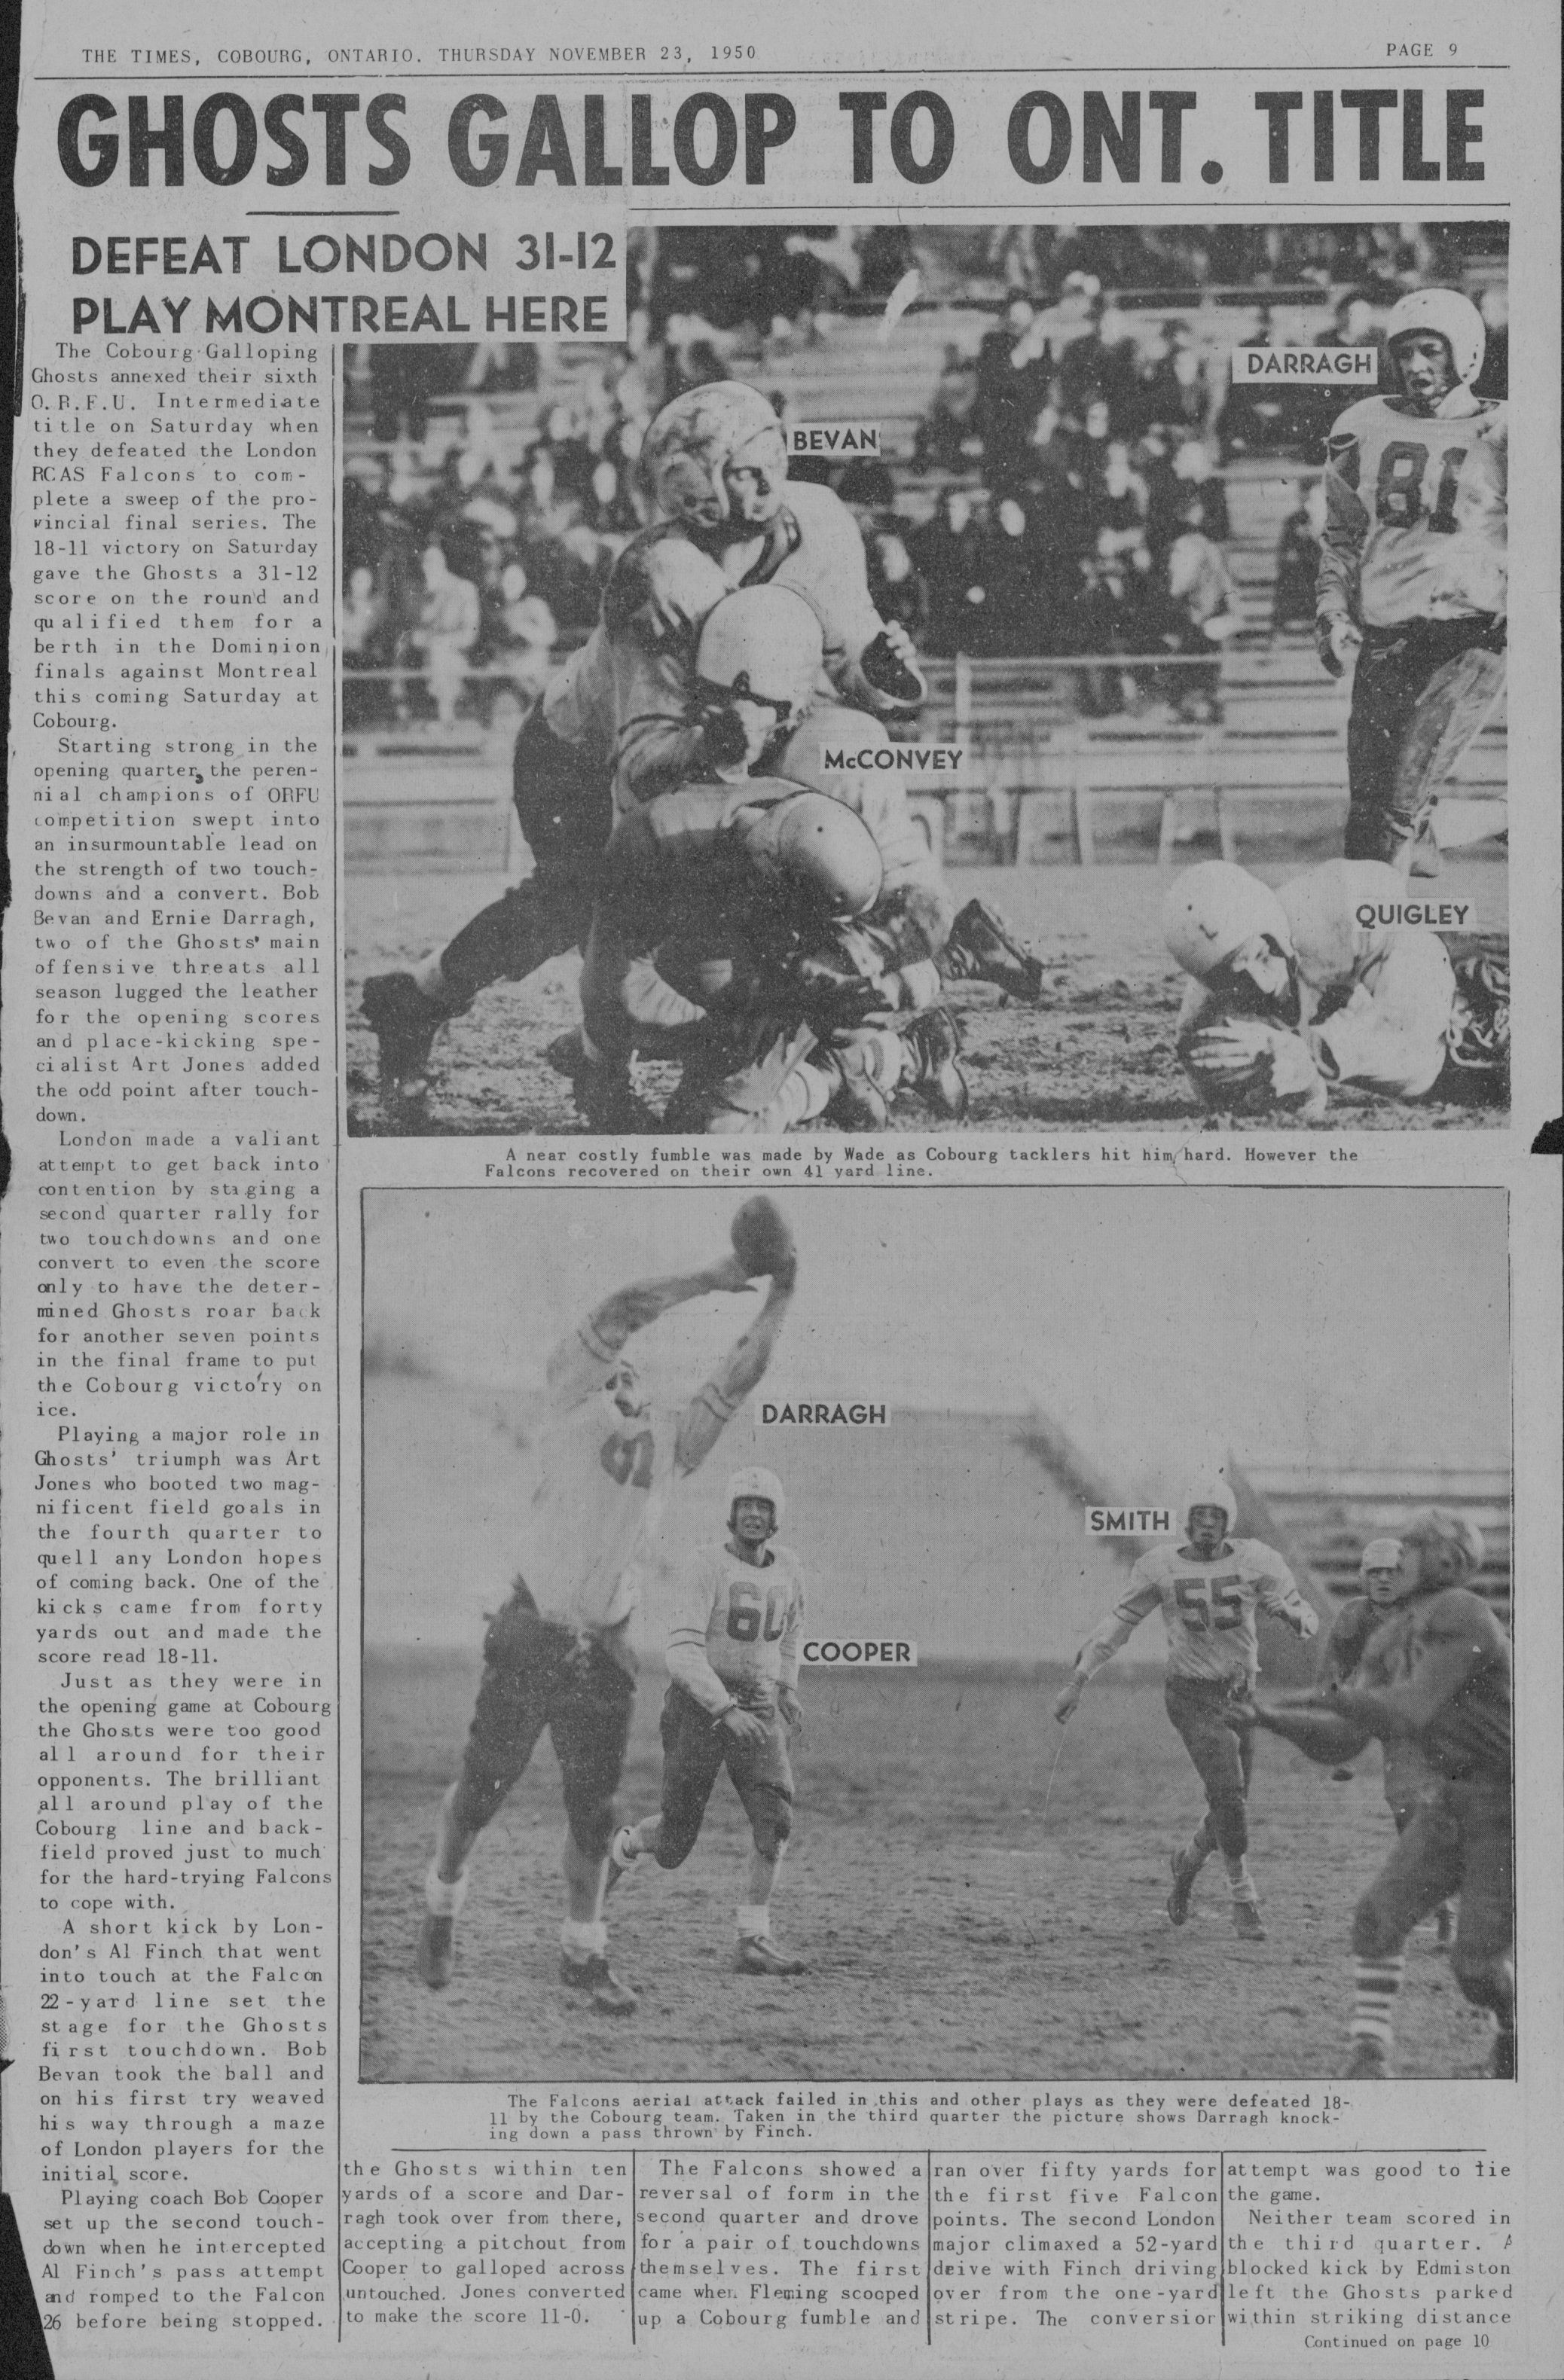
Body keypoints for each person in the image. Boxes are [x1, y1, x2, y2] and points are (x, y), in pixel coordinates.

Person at [416, 1214, 798, 2013]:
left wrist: (780, 1298)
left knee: (596, 1815)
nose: (627, 1374)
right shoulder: (566, 1396)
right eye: (616, 1366)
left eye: (636, 1375)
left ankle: (584, 1953)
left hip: (606, 1648)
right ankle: (442, 1905)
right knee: (480, 1795)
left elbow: (735, 1379)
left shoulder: (663, 1448)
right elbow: (623, 1307)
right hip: (532, 1629)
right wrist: (715, 1274)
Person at [1226, 1510, 1512, 2079]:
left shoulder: (1462, 1613)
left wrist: (1331, 1696)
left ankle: (1517, 2035)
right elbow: (1345, 1741)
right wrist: (1271, 1718)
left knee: (1476, 1967)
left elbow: (1409, 1708)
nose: (1398, 1560)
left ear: (1445, 1559)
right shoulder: (1389, 1633)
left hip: (1504, 1806)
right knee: (1376, 1921)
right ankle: (1369, 2056)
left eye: (1412, 1548)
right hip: (1449, 1801)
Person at [1052, 1480, 1318, 1940]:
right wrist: (1079, 1680)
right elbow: (1117, 1626)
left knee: (1230, 1804)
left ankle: (1186, 1866)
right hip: (1192, 1695)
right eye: (1200, 1516)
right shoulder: (1161, 1566)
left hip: (1240, 1695)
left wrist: (1296, 1618)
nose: (1208, 1526)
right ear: (1187, 1521)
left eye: (1216, 1517)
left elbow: (1306, 1616)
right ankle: (1243, 1894)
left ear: (1228, 1520)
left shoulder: (1256, 1560)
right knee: (1230, 1797)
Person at [1315, 288, 1507, 871]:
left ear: (1464, 352)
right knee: (1368, 825)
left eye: (1431, 351)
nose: (1417, 367)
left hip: (1471, 636)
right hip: (1388, 637)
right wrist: (1333, 611)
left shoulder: (1506, 430)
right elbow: (1343, 536)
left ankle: (1378, 954)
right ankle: (1500, 817)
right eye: (1405, 353)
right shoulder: (1363, 424)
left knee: (1398, 812)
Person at [608, 1467, 808, 1975]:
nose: (755, 1515)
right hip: (700, 1709)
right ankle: (624, 1848)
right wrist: (724, 1708)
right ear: (731, 1513)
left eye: (764, 1507)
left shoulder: (788, 1568)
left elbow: (789, 1634)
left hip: (758, 1708)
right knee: (675, 1841)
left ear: (776, 1516)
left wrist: (787, 1686)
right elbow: (681, 1651)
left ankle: (753, 1938)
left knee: (775, 1818)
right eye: (746, 1506)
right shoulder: (707, 1566)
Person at [1162, 858, 1508, 1118]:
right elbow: (1273, 1111)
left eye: (1259, 954)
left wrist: (1314, 1053)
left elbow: (1422, 995)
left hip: (1454, 1011)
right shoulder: (1204, 1026)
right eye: (1233, 978)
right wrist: (1303, 1086)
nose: (1259, 982)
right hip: (1415, 1070)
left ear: (1270, 923)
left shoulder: (1342, 899)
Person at [1319, 1539, 1454, 1949]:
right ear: (1364, 1577)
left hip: (1416, 1718)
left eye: (1392, 1572)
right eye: (1375, 1572)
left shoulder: (1426, 1613)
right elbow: (1333, 1671)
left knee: (1410, 1806)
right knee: (1403, 1806)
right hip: (1377, 1707)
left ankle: (1445, 1907)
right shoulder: (1355, 1615)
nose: (1383, 1579)